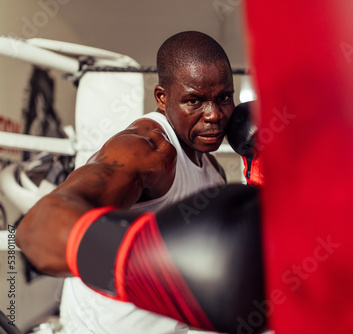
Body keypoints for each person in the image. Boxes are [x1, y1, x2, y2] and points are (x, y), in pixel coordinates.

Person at [15, 31, 244, 334]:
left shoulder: (211, 167)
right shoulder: (145, 150)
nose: (214, 115)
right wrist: (142, 260)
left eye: (224, 98)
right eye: (194, 101)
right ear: (162, 98)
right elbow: (37, 230)